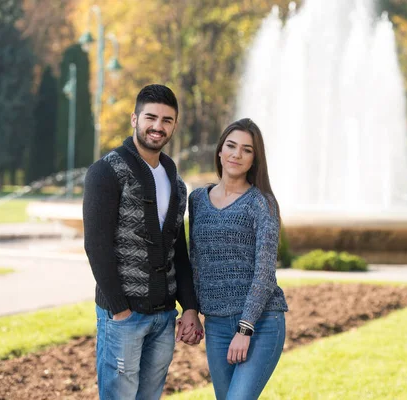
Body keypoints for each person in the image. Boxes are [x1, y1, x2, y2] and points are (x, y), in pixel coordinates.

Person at [83, 84, 203, 399]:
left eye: (167, 120)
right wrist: (120, 310)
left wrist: (189, 307)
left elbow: (179, 251)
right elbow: (96, 246)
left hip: (164, 318)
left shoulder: (176, 182)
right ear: (135, 119)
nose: (157, 127)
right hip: (123, 316)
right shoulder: (106, 171)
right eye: (151, 117)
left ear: (174, 125)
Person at [187, 118, 288, 400]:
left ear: (254, 159)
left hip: (261, 324)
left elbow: (265, 271)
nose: (236, 154)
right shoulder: (197, 199)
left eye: (246, 150)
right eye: (231, 146)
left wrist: (245, 328)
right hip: (217, 324)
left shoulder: (262, 203)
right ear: (220, 151)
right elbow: (196, 264)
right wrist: (191, 310)